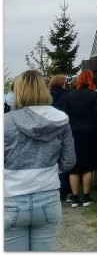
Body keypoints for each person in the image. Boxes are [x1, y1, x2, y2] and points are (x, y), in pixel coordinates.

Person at [4, 70, 76, 251]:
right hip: (48, 198)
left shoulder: (5, 122)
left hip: (11, 199)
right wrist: (47, 170)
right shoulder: (61, 120)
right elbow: (69, 160)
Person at [63, 69, 97, 207]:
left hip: (73, 132)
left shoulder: (69, 96)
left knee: (74, 167)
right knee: (88, 166)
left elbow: (65, 116)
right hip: (89, 132)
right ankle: (86, 197)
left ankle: (74, 197)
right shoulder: (93, 95)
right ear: (90, 80)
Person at [49, 75, 71, 202]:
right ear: (62, 83)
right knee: (64, 159)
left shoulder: (48, 96)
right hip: (63, 126)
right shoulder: (66, 95)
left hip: (50, 129)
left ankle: (56, 189)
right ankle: (65, 190)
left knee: (54, 159)